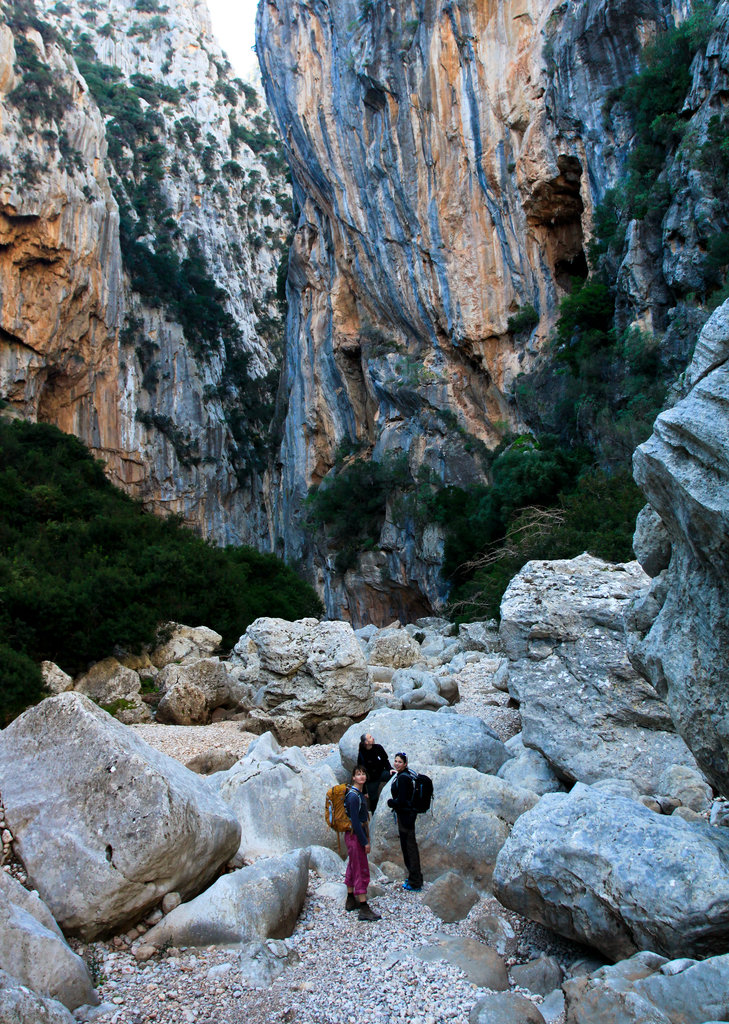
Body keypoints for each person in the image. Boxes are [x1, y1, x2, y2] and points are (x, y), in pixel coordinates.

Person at [344, 765, 381, 921]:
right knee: (360, 868)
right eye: (358, 774)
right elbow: (355, 822)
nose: (361, 777)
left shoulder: (357, 794)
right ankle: (364, 907)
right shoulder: (353, 796)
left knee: (353, 865)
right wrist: (364, 841)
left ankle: (350, 899)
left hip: (353, 836)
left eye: (363, 774)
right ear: (353, 778)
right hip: (355, 836)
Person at [387, 751, 423, 892]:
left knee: (409, 847)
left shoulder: (403, 778)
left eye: (400, 762)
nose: (397, 763)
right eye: (395, 761)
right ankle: (415, 877)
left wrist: (391, 803)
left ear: (405, 764)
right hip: (408, 814)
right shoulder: (404, 775)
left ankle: (415, 881)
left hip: (406, 816)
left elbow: (401, 800)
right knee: (410, 846)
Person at [357, 732, 392, 813]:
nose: (372, 738)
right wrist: (364, 791)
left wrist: (390, 769)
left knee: (394, 776)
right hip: (371, 780)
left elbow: (385, 760)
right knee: (373, 801)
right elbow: (361, 772)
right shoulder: (362, 754)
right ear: (366, 742)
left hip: (381, 773)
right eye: (370, 737)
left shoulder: (378, 748)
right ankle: (374, 817)